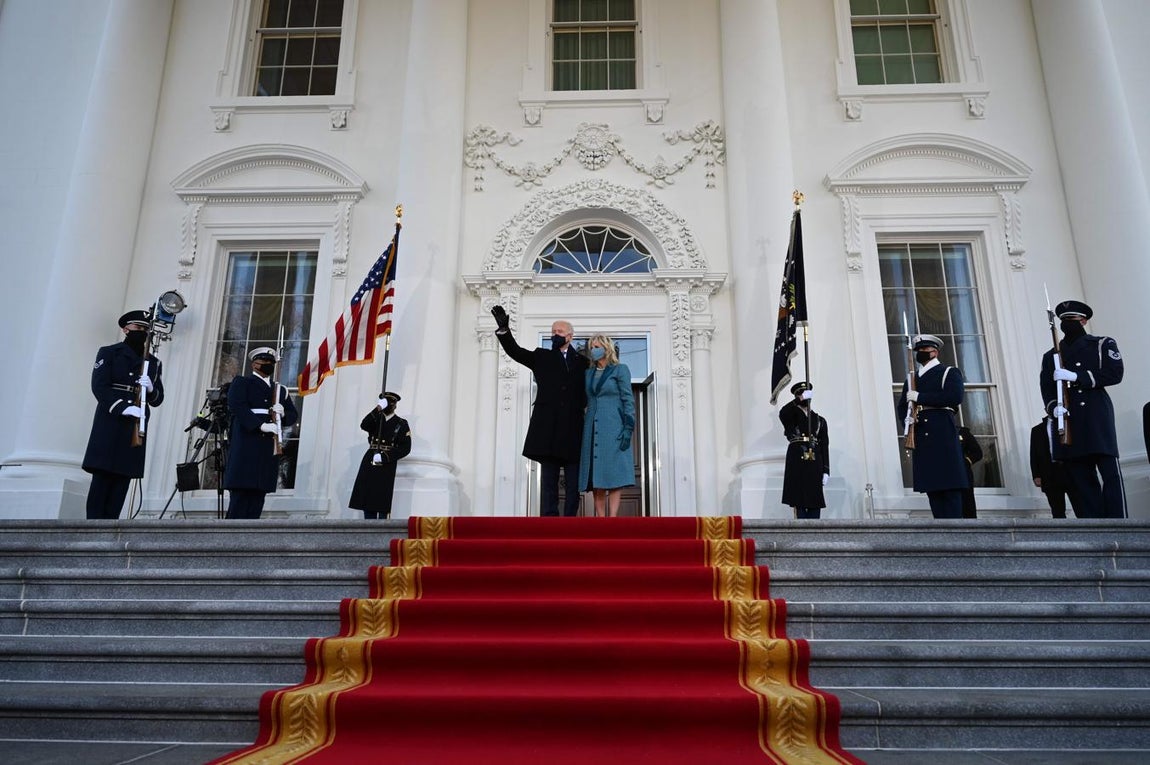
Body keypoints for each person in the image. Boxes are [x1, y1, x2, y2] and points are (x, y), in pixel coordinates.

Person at [491, 305, 588, 517]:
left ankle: (571, 520)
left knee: (573, 483)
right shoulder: (542, 356)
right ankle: (550, 521)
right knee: (549, 481)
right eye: (552, 332)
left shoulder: (583, 362)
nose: (555, 335)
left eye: (559, 332)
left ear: (570, 337)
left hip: (574, 429)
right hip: (548, 428)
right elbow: (515, 352)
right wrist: (504, 330)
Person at [1039, 300, 1126, 518]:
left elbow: (1115, 373)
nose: (1068, 324)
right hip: (1070, 419)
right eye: (1064, 320)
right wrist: (1054, 408)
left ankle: (1119, 522)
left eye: (1072, 319)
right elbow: (1047, 388)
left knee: (1110, 475)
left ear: (1084, 321)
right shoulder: (1052, 356)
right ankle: (1095, 524)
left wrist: (1078, 377)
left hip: (1096, 416)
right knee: (1080, 478)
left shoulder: (1101, 344)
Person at [82, 309, 164, 519]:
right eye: (138, 328)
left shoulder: (153, 363)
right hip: (111, 420)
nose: (142, 332)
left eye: (146, 329)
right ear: (125, 329)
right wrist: (122, 407)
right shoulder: (109, 353)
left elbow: (158, 399)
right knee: (102, 478)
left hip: (135, 425)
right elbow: (99, 386)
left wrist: (152, 389)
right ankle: (93, 529)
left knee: (122, 478)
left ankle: (111, 526)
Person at [897, 334, 968, 519]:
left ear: (934, 351)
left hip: (942, 436)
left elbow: (954, 397)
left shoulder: (948, 372)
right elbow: (902, 407)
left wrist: (921, 397)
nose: (920, 353)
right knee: (934, 493)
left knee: (950, 493)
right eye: (918, 351)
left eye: (923, 350)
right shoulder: (912, 379)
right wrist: (907, 420)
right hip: (922, 438)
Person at [223, 347, 298, 519]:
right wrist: (260, 425)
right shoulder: (242, 383)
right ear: (254, 365)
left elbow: (293, 415)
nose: (267, 366)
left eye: (271, 363)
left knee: (257, 502)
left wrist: (284, 413)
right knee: (239, 504)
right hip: (246, 447)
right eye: (264, 363)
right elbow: (237, 406)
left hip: (266, 450)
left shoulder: (280, 390)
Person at [578, 334, 636, 517]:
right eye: (592, 347)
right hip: (592, 427)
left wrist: (628, 428)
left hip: (614, 426)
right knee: (596, 474)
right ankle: (600, 519)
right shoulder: (588, 373)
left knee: (614, 473)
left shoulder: (620, 370)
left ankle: (612, 519)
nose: (594, 350)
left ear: (606, 348)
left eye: (597, 346)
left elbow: (628, 399)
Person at [348, 392, 412, 519]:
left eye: (391, 403)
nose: (388, 405)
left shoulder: (401, 423)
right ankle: (368, 527)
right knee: (368, 497)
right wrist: (377, 409)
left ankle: (382, 528)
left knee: (382, 499)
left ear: (395, 405)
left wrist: (385, 456)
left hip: (386, 462)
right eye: (386, 402)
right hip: (371, 459)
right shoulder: (376, 418)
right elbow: (364, 425)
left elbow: (405, 448)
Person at [778, 381, 829, 519]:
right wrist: (797, 400)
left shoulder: (820, 420)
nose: (804, 397)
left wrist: (826, 470)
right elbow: (783, 413)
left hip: (814, 461)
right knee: (799, 500)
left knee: (815, 500)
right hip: (797, 460)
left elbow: (824, 446)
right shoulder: (790, 415)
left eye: (806, 394)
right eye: (800, 394)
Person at [1030, 416, 1075, 519]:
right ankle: (1062, 534)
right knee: (1057, 511)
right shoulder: (1037, 430)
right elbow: (1033, 454)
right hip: (1050, 473)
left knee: (1081, 506)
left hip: (1069, 470)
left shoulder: (1068, 423)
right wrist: (1036, 475)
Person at [957, 426, 983, 519]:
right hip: (947, 478)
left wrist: (966, 461)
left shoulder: (962, 432)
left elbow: (977, 453)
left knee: (967, 508)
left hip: (963, 476)